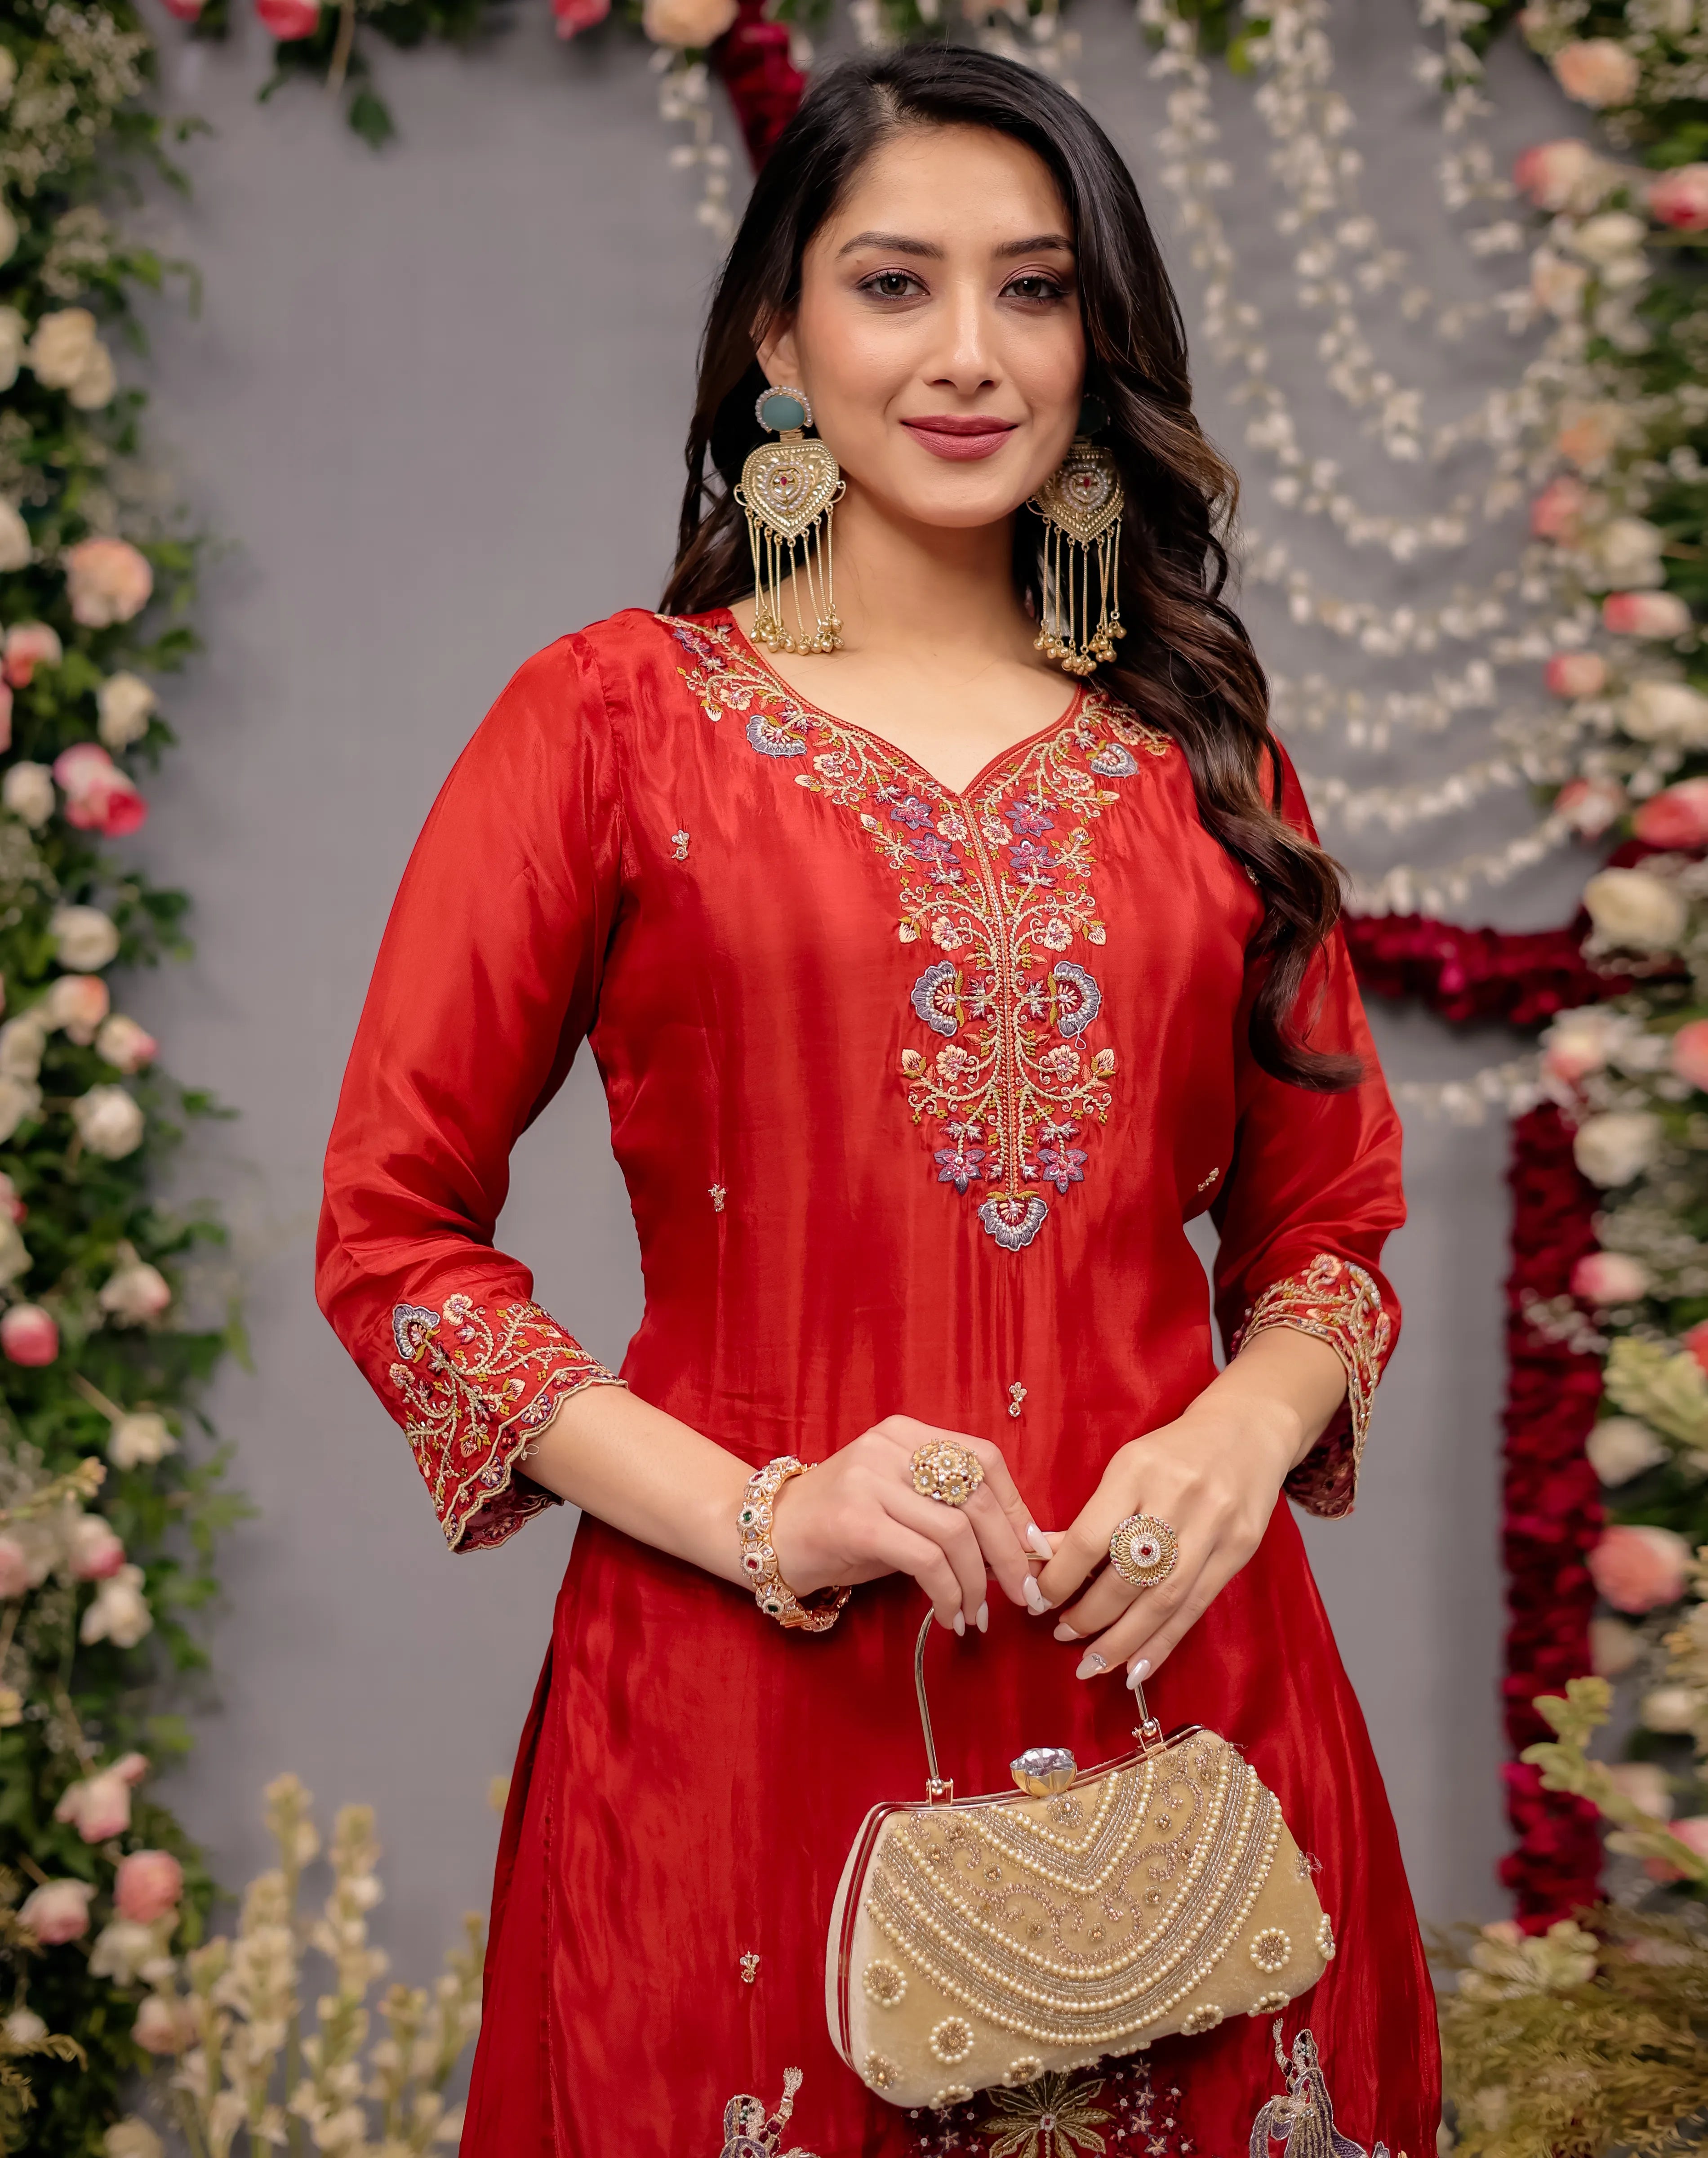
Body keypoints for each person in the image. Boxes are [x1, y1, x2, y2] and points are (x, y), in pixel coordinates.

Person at [316, 43, 1437, 2158]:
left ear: (1095, 339)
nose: (966, 355)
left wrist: (1230, 1439)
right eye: (890, 282)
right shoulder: (610, 727)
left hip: (1178, 1689)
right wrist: (767, 1513)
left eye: (1031, 290)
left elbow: (1331, 1232)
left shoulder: (1197, 755)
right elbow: (392, 1242)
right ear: (776, 330)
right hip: (752, 1702)